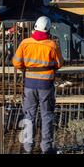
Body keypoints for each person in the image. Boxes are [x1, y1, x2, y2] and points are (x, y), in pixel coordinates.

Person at [12, 16, 64, 154]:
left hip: (29, 84)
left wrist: (27, 69)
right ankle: (46, 147)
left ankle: (28, 147)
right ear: (48, 29)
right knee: (46, 115)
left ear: (35, 27)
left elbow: (16, 63)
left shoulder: (25, 43)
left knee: (29, 115)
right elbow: (59, 63)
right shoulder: (52, 45)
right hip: (46, 85)